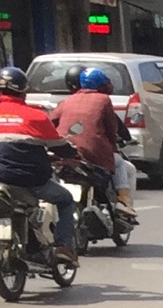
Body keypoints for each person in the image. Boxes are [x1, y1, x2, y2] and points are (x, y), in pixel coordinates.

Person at [0, 66, 77, 251]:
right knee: (66, 200)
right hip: (34, 181)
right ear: (24, 91)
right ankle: (64, 246)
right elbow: (60, 147)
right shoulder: (37, 116)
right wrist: (73, 154)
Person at [54, 65, 130, 225]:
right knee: (119, 162)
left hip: (65, 154)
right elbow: (112, 129)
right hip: (93, 155)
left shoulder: (66, 101)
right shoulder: (103, 100)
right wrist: (113, 148)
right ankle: (124, 202)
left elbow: (50, 123)